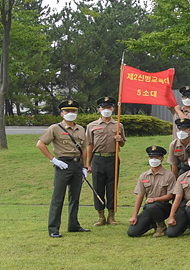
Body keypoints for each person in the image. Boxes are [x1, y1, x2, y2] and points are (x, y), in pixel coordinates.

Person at [36, 100, 90, 238]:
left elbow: (84, 148)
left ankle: (73, 225)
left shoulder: (81, 129)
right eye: (67, 111)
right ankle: (53, 228)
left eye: (73, 111)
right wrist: (53, 160)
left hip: (77, 164)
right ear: (62, 113)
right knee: (58, 197)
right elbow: (40, 144)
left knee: (75, 197)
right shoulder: (55, 128)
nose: (71, 114)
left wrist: (85, 166)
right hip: (63, 164)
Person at [84, 96, 125, 226]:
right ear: (99, 109)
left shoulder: (118, 125)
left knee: (112, 188)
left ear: (113, 108)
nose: (106, 110)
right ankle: (100, 216)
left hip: (113, 159)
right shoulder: (92, 126)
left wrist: (120, 140)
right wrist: (88, 163)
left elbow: (123, 143)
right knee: (98, 187)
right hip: (98, 158)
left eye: (109, 107)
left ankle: (111, 216)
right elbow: (89, 145)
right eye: (103, 107)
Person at [127, 146, 178, 237]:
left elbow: (171, 195)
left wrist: (155, 199)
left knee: (152, 206)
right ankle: (152, 224)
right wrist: (134, 215)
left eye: (156, 157)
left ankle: (161, 227)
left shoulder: (169, 175)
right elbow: (140, 196)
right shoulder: (144, 176)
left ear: (162, 158)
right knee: (132, 232)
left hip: (164, 207)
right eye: (151, 157)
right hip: (149, 208)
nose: (153, 160)